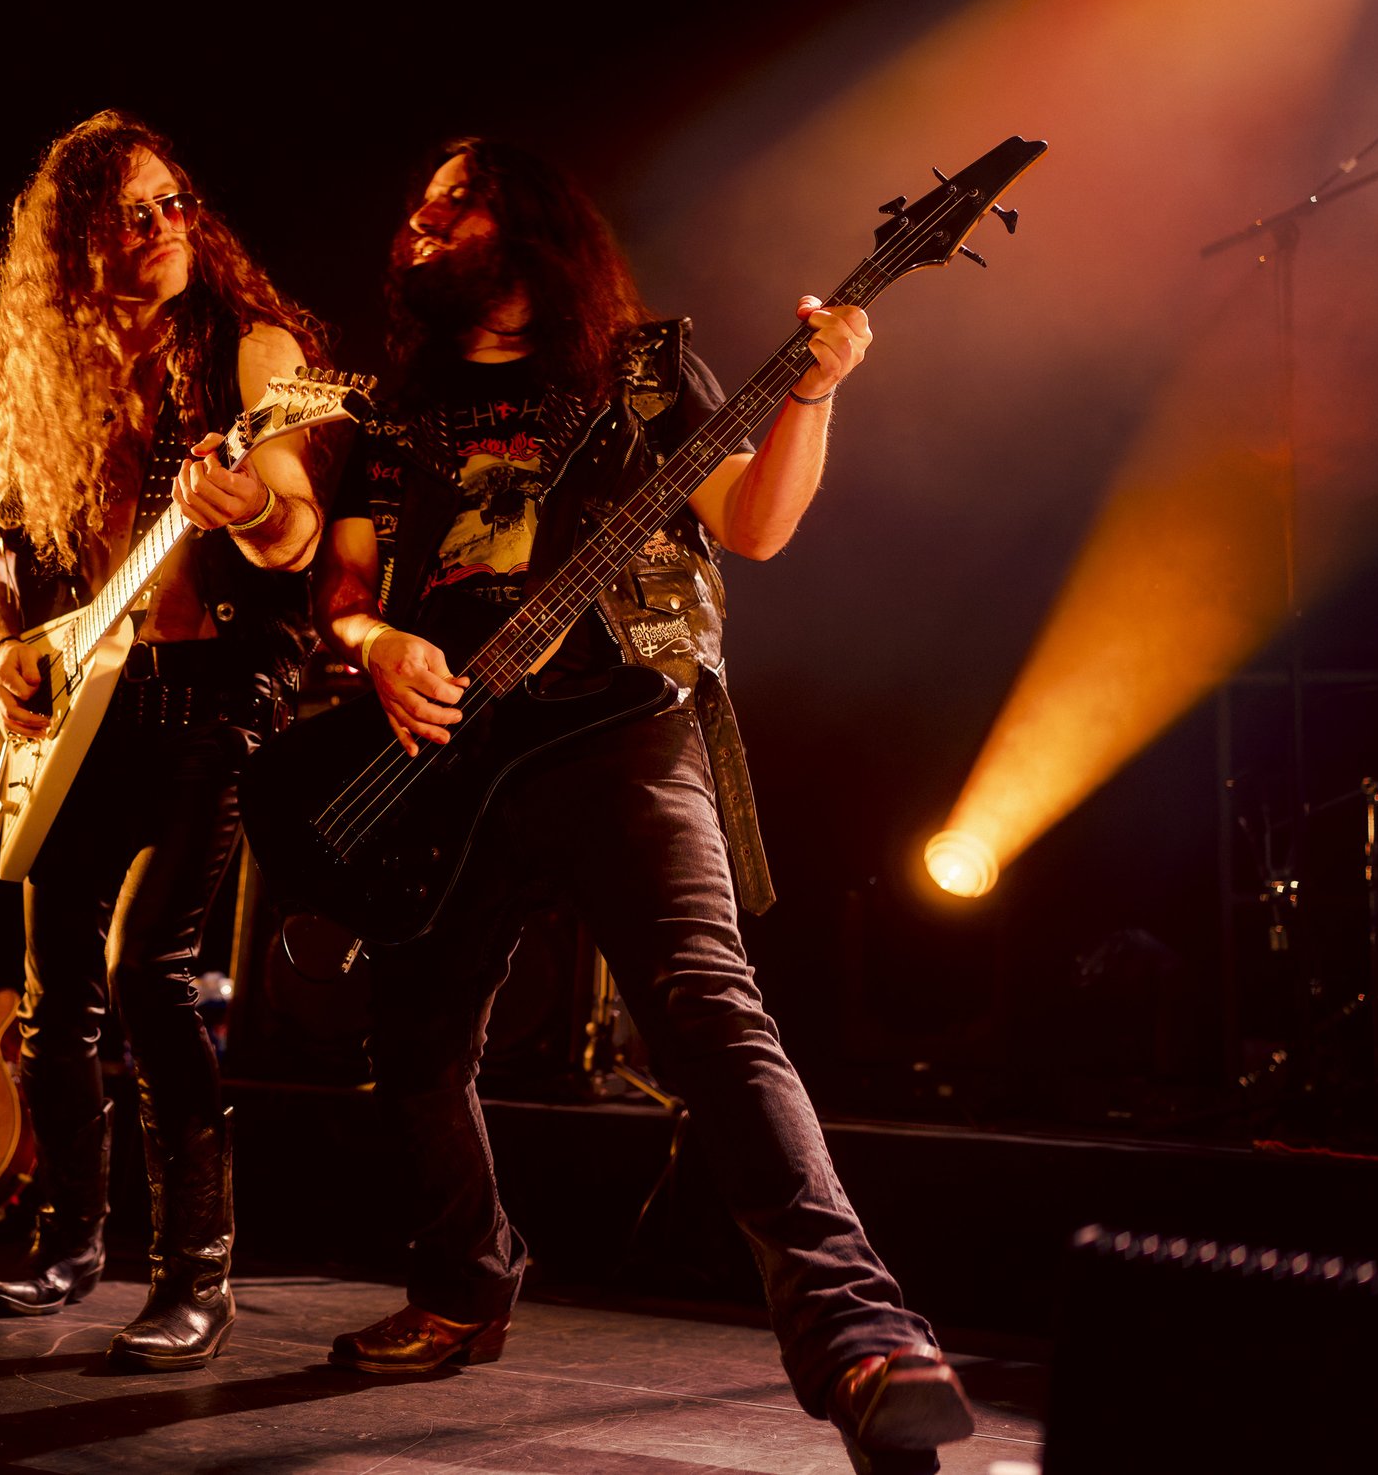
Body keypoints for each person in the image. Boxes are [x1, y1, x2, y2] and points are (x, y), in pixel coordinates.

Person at [312, 138, 975, 1474]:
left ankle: (862, 1331)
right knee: (413, 1029)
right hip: (446, 747)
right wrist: (378, 644)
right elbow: (344, 586)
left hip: (625, 724)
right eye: (416, 204)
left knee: (705, 999)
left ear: (532, 221)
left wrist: (818, 396)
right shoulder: (391, 410)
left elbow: (757, 523)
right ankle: (464, 1276)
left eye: (457, 197)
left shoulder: (648, 370)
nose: (422, 219)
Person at [0, 111, 329, 1370]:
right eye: (133, 213)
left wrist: (256, 506)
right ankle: (68, 1241)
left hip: (208, 694)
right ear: (74, 245)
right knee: (54, 997)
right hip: (83, 703)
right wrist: (7, 643)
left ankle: (194, 1276)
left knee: (144, 973)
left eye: (175, 203)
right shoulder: (48, 367)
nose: (166, 228)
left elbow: (297, 533)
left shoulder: (250, 347)